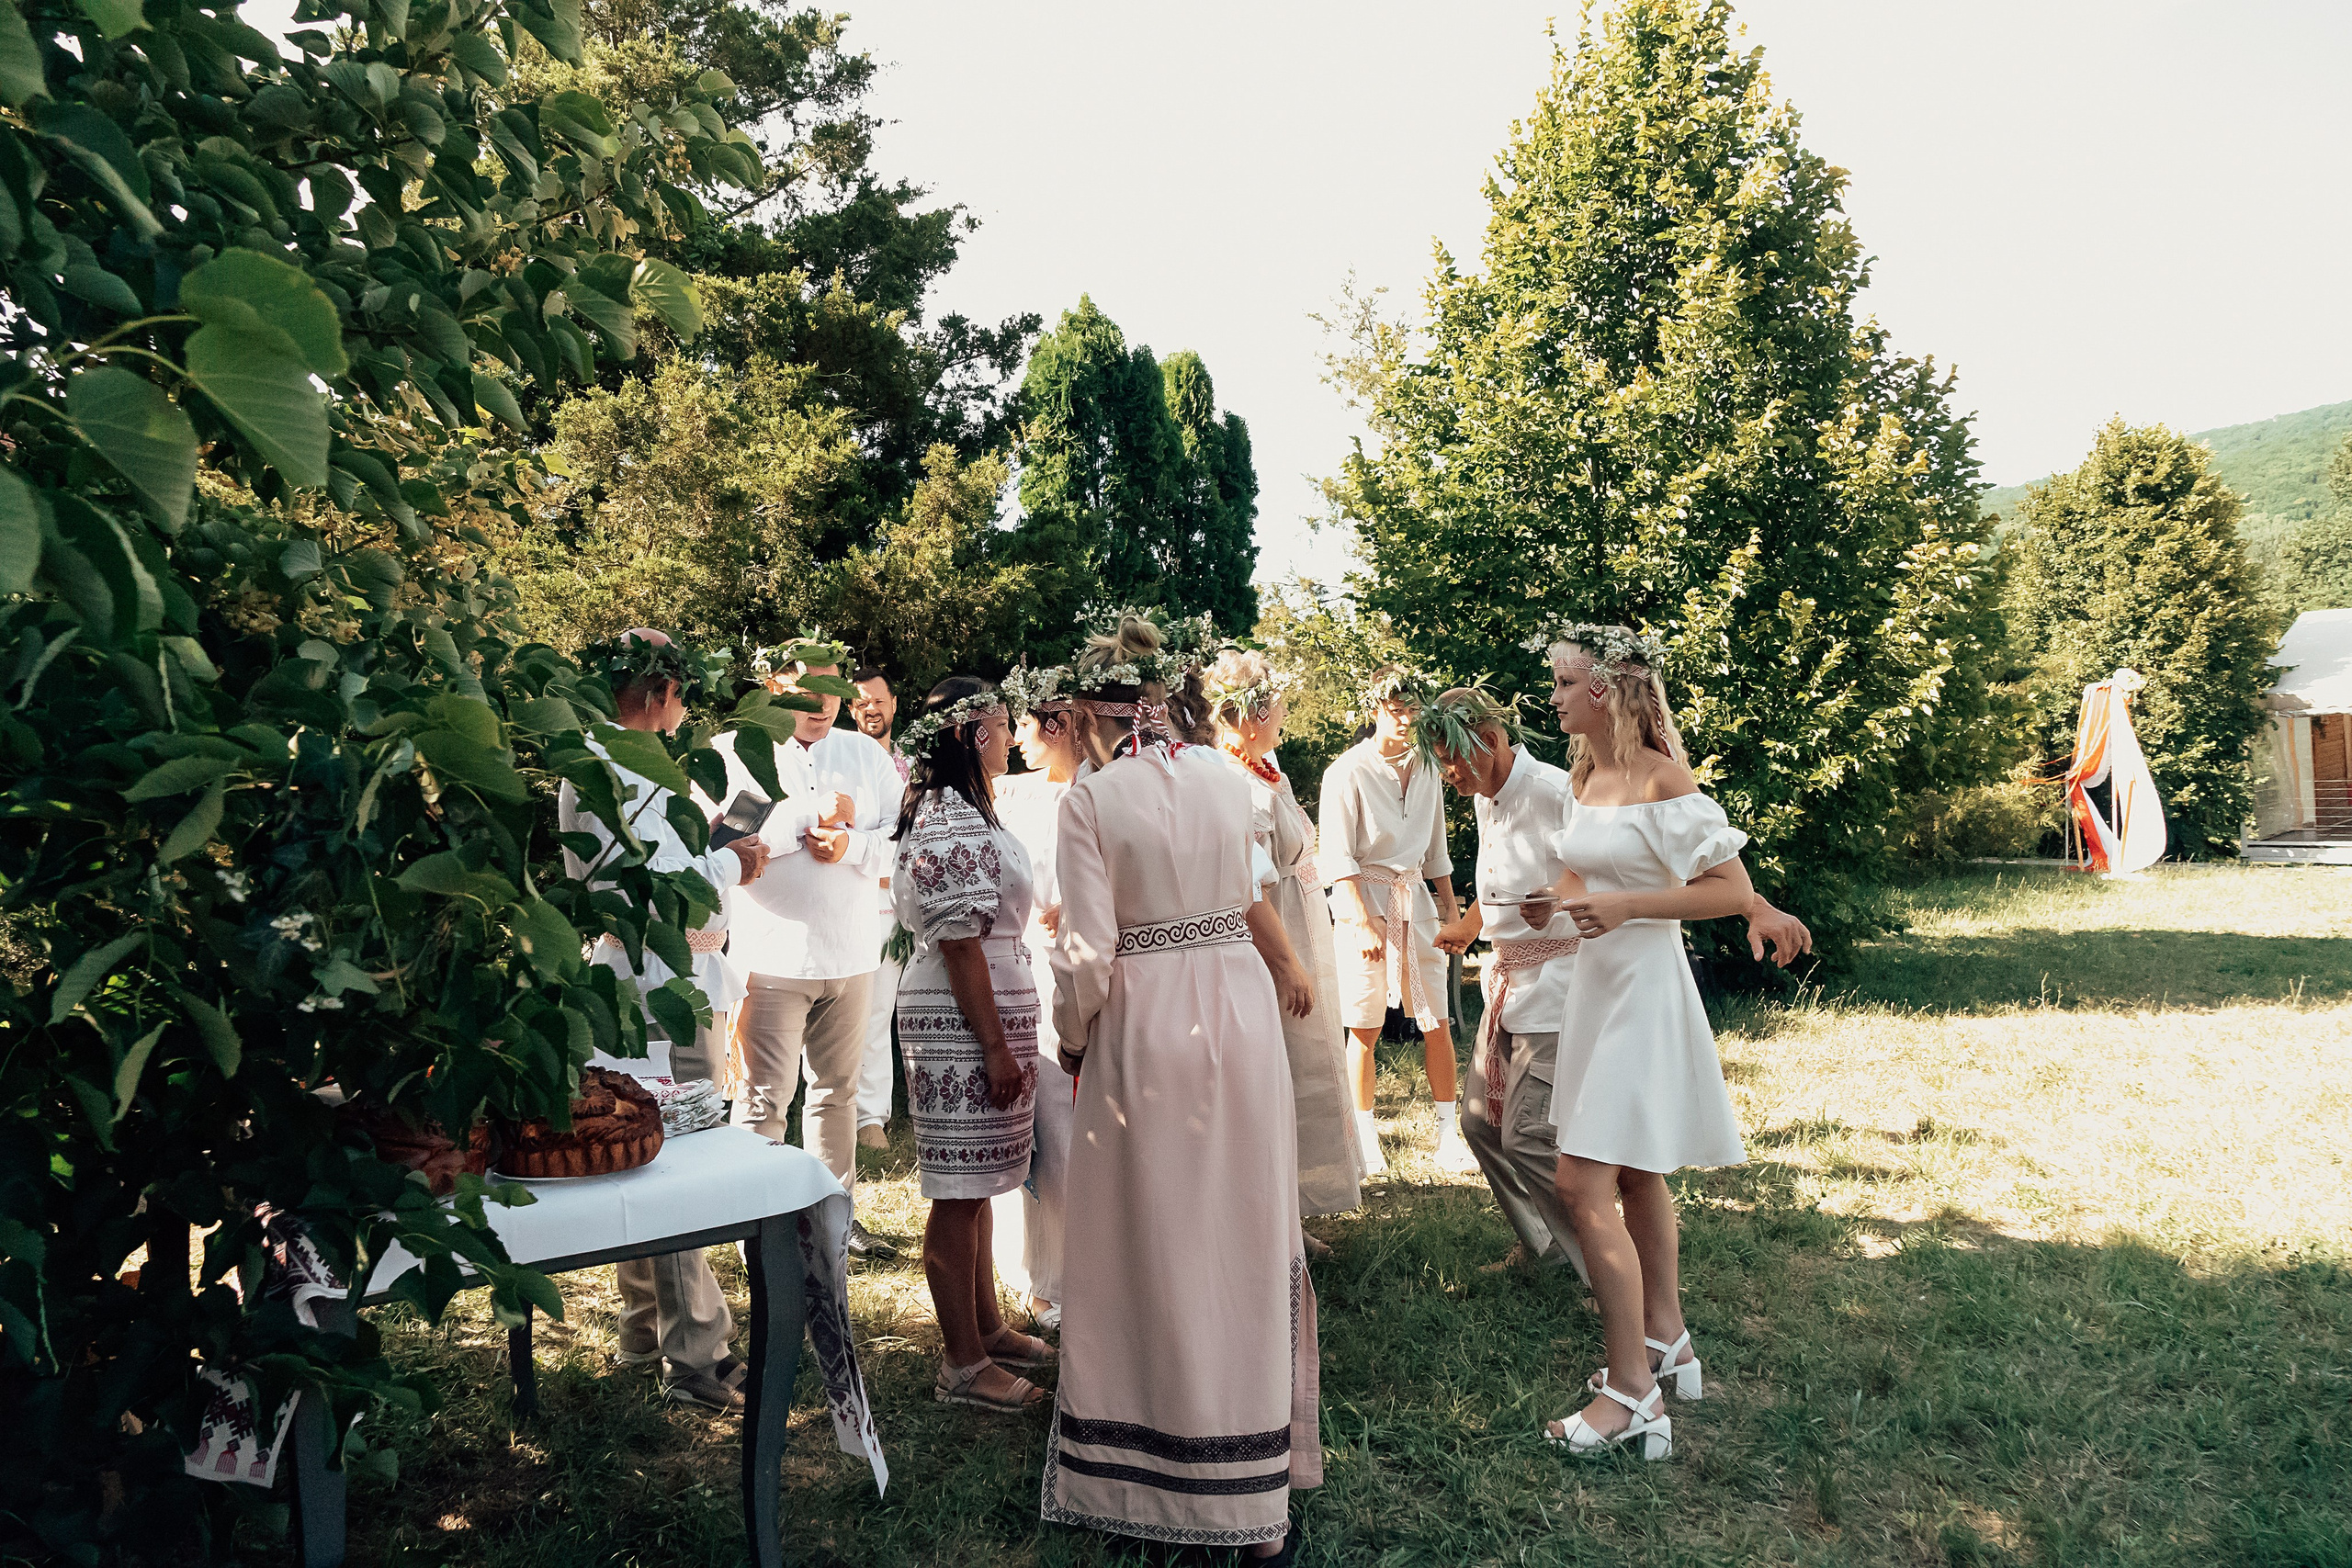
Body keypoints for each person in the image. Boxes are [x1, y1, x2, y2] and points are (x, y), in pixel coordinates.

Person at [1041, 615, 1317, 1562]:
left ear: (1090, 707)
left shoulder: (1092, 798)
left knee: (1150, 1240)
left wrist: (1073, 1040)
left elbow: (1085, 954)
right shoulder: (1224, 778)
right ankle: (1253, 1478)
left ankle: (1164, 1483)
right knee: (1243, 1230)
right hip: (1238, 1010)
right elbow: (1249, 892)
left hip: (1146, 1022)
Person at [1417, 687, 1813, 1279]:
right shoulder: (1490, 797)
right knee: (1479, 1122)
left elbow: (1651, 853)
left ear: (1491, 741)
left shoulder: (1557, 788)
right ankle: (1547, 1246)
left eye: (1451, 759)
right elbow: (1526, 876)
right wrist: (1476, 923)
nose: (1447, 774)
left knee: (1536, 1139)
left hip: (1566, 979)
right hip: (1508, 977)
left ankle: (1595, 1267)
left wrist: (1753, 905)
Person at [1518, 625, 1776, 1461]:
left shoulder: (1665, 778)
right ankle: (1667, 1336)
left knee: (1578, 1184)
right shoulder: (1587, 777)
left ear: (1603, 688)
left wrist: (1628, 908)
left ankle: (1632, 1392)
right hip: (1597, 987)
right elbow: (1583, 874)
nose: (1552, 698)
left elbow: (1727, 887)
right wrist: (1548, 900)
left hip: (1643, 991)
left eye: (1562, 683)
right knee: (1633, 1169)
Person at [560, 628, 772, 1414]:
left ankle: (643, 1325)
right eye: (680, 692)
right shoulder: (633, 764)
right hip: (662, 979)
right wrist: (734, 860)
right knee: (678, 1156)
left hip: (623, 975)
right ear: (655, 693)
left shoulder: (587, 758)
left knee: (637, 1148)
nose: (682, 707)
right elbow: (672, 890)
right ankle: (698, 1355)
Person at [889, 678, 1052, 1412]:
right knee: (955, 1190)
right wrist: (993, 1047)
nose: (1013, 735)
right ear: (966, 734)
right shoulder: (946, 811)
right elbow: (959, 942)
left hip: (988, 1010)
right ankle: (961, 1363)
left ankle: (986, 1327)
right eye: (1002, 723)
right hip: (960, 1020)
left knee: (982, 1181)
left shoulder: (973, 804)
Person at [716, 637, 905, 1259]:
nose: (825, 703)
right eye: (808, 690)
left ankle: (833, 1225)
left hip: (852, 955)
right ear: (775, 689)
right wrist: (809, 815)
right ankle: (757, 1234)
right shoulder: (738, 754)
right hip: (771, 958)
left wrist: (851, 847)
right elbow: (729, 842)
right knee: (765, 1099)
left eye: (834, 690)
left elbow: (902, 844)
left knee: (836, 1094)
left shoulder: (866, 755)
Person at [1207, 647, 1363, 1225]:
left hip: (1305, 925)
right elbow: (1250, 890)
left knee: (1305, 1070)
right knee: (1278, 1079)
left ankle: (1293, 1215)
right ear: (1245, 715)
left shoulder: (1268, 770)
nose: (1282, 718)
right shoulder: (1234, 784)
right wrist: (1285, 963)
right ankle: (1271, 1223)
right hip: (1272, 942)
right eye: (1274, 708)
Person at [1317, 665, 1475, 1176]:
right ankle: (1363, 1136)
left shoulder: (1429, 767)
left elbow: (1436, 851)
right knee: (1364, 1024)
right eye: (1395, 709)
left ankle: (1449, 1133)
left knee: (1436, 1020)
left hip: (1415, 901)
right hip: (1363, 901)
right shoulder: (1346, 771)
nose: (1405, 719)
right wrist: (1363, 921)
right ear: (1375, 710)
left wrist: (1451, 910)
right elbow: (1337, 857)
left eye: (1413, 708)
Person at [988, 664, 1080, 1331]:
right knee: (1041, 1122)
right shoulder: (1009, 795)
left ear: (1059, 725)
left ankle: (1091, 1263)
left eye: (1026, 723)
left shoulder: (1097, 792)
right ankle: (1040, 1274)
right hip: (1022, 972)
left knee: (1078, 1126)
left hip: (1083, 969)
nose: (1018, 736)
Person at [848, 666, 906, 1152]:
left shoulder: (918, 764)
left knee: (905, 1009)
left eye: (879, 701)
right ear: (850, 709)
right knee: (868, 1010)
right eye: (861, 702)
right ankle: (867, 1118)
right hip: (863, 902)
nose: (871, 708)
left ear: (893, 705)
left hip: (915, 902)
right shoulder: (847, 763)